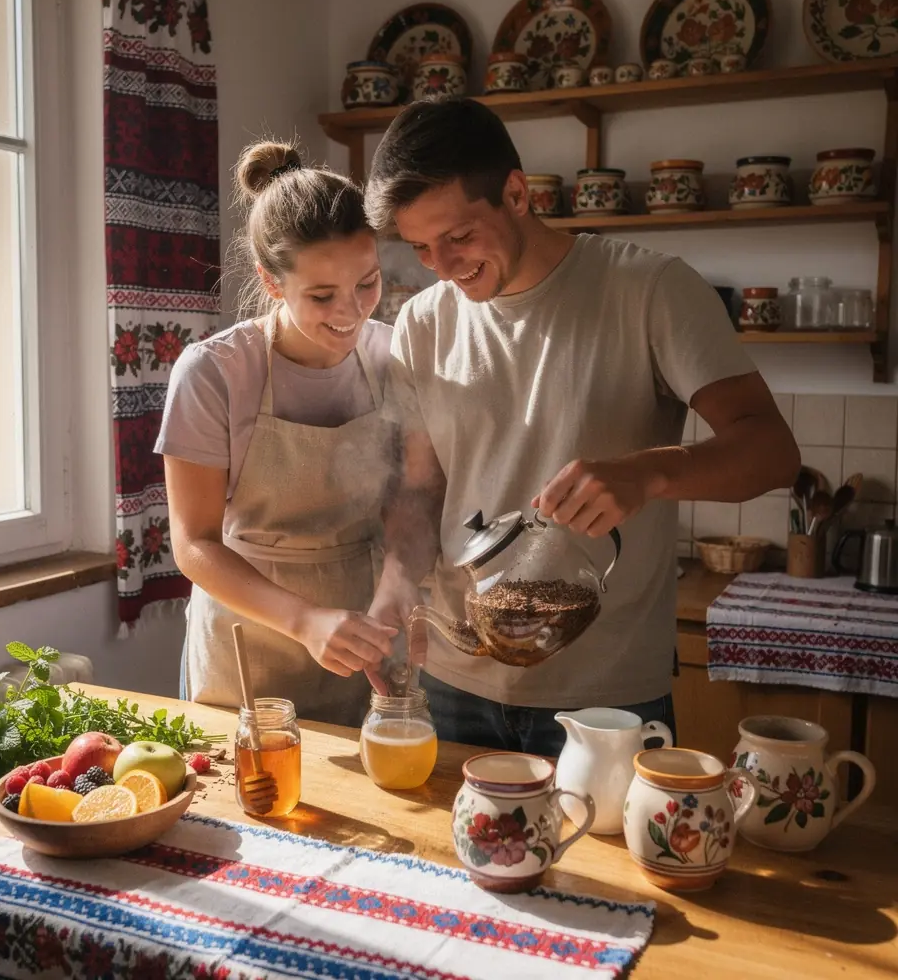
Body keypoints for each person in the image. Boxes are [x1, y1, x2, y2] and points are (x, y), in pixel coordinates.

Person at [365, 98, 800, 756]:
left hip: (607, 692)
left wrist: (650, 471)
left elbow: (772, 452)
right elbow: (420, 492)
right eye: (422, 249)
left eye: (457, 237)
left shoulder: (649, 290)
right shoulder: (423, 324)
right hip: (455, 679)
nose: (444, 266)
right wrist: (394, 589)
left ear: (516, 193)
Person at [156, 140, 398, 728]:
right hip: (248, 640)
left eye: (367, 283)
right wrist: (305, 620)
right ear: (270, 281)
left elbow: (409, 504)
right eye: (322, 295)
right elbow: (194, 545)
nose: (352, 311)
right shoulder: (215, 372)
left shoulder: (393, 355)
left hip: (360, 636)